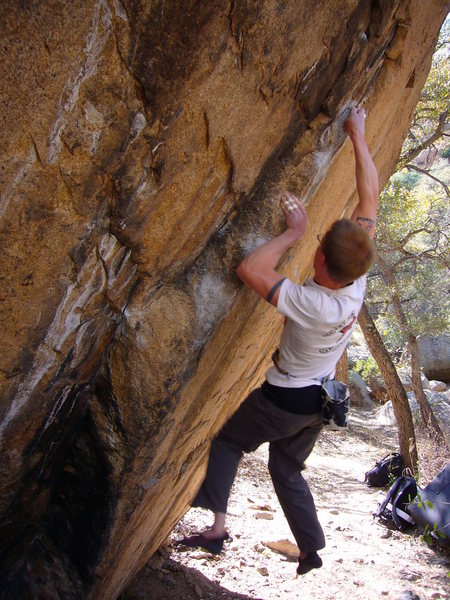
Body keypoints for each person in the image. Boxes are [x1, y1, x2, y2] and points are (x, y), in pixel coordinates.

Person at [177, 106, 379, 575]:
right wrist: (359, 135)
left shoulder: (317, 304)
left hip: (285, 399)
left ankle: (216, 529)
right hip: (320, 402)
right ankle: (310, 549)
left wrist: (293, 232)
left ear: (321, 263)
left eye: (317, 249)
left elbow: (250, 270)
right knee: (285, 468)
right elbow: (368, 196)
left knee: (229, 442)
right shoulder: (356, 278)